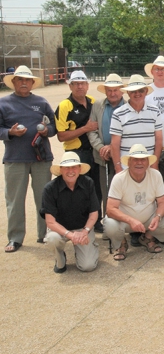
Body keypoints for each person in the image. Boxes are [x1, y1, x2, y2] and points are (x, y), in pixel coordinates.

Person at [1, 66, 57, 251]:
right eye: (20, 80)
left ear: (32, 83)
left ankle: (44, 234)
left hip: (41, 157)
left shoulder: (41, 102)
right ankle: (15, 237)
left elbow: (54, 127)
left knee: (44, 198)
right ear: (13, 82)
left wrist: (46, 130)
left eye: (27, 80)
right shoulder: (4, 103)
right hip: (15, 158)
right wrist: (10, 132)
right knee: (15, 200)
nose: (24, 83)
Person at [104, 144, 164, 261]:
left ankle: (147, 238)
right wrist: (130, 220)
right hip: (125, 223)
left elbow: (163, 203)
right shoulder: (119, 178)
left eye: (143, 159)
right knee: (109, 224)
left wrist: (158, 217)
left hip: (148, 220)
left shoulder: (155, 175)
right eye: (135, 159)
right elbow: (110, 209)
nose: (139, 163)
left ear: (148, 162)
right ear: (128, 162)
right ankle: (121, 244)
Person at [41, 152, 100, 273]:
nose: (70, 171)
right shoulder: (50, 188)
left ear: (79, 169)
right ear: (61, 170)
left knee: (87, 266)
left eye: (74, 167)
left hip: (83, 228)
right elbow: (50, 222)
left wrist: (85, 231)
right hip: (59, 229)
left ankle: (90, 249)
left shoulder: (88, 183)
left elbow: (94, 213)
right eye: (67, 167)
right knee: (52, 238)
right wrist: (70, 235)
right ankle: (60, 259)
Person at [55, 70, 100, 203]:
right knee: (79, 191)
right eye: (76, 84)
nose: (80, 86)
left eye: (82, 83)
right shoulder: (64, 106)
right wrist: (85, 129)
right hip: (76, 154)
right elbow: (61, 136)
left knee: (97, 190)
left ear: (87, 85)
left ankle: (96, 222)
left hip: (95, 153)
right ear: (70, 86)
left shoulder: (93, 101)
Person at [88, 73, 126, 217]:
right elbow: (92, 130)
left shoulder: (128, 106)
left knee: (122, 193)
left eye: (115, 90)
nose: (112, 93)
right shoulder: (98, 105)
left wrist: (113, 147)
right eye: (109, 90)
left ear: (121, 90)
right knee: (106, 192)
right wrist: (100, 147)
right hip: (102, 157)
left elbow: (129, 133)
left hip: (122, 156)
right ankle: (107, 226)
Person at [110, 75, 162, 174]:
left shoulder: (155, 111)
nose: (137, 94)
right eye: (133, 91)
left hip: (149, 167)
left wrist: (155, 164)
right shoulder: (118, 113)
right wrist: (118, 167)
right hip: (126, 168)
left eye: (141, 90)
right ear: (128, 93)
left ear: (146, 92)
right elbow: (115, 144)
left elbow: (159, 140)